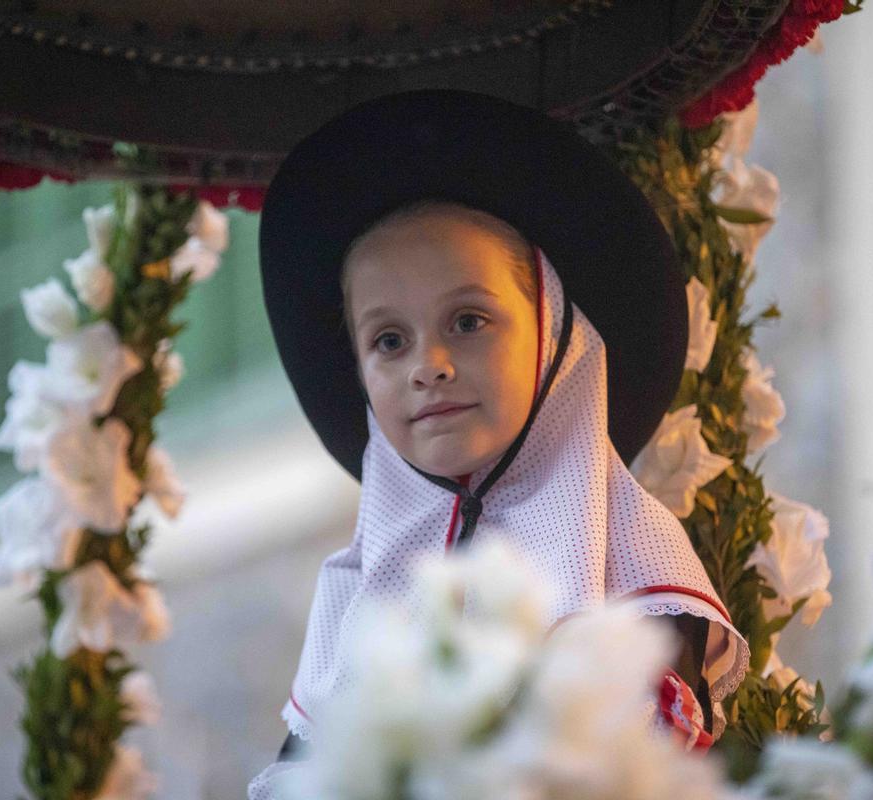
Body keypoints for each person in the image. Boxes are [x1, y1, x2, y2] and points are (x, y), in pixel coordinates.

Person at [249, 89, 750, 799]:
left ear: (554, 337)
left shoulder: (637, 566)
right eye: (388, 340)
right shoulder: (356, 593)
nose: (429, 366)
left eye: (468, 321)